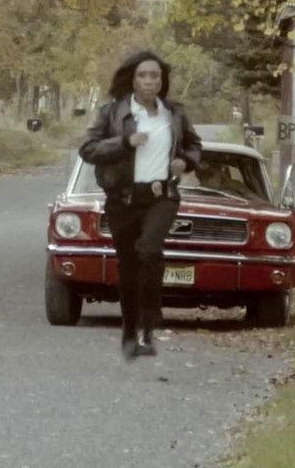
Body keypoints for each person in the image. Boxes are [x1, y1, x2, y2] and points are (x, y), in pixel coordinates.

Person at [79, 50, 202, 360]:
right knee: (129, 265)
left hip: (161, 196)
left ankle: (149, 324)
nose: (149, 81)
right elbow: (88, 149)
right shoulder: (112, 113)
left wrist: (185, 161)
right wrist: (124, 143)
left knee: (148, 250)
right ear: (132, 80)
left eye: (155, 76)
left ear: (162, 81)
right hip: (122, 199)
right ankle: (130, 332)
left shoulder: (174, 114)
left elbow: (193, 144)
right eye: (143, 75)